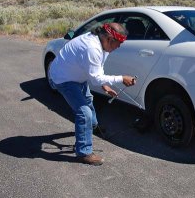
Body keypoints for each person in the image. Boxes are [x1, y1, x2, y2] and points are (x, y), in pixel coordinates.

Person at [49, 23, 136, 166]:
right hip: (63, 79)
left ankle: (91, 127)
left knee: (88, 100)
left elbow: (97, 68)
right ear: (109, 38)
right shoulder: (92, 47)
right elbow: (95, 78)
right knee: (84, 113)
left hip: (77, 76)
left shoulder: (102, 44)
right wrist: (121, 78)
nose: (119, 47)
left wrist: (105, 85)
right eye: (118, 43)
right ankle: (84, 152)